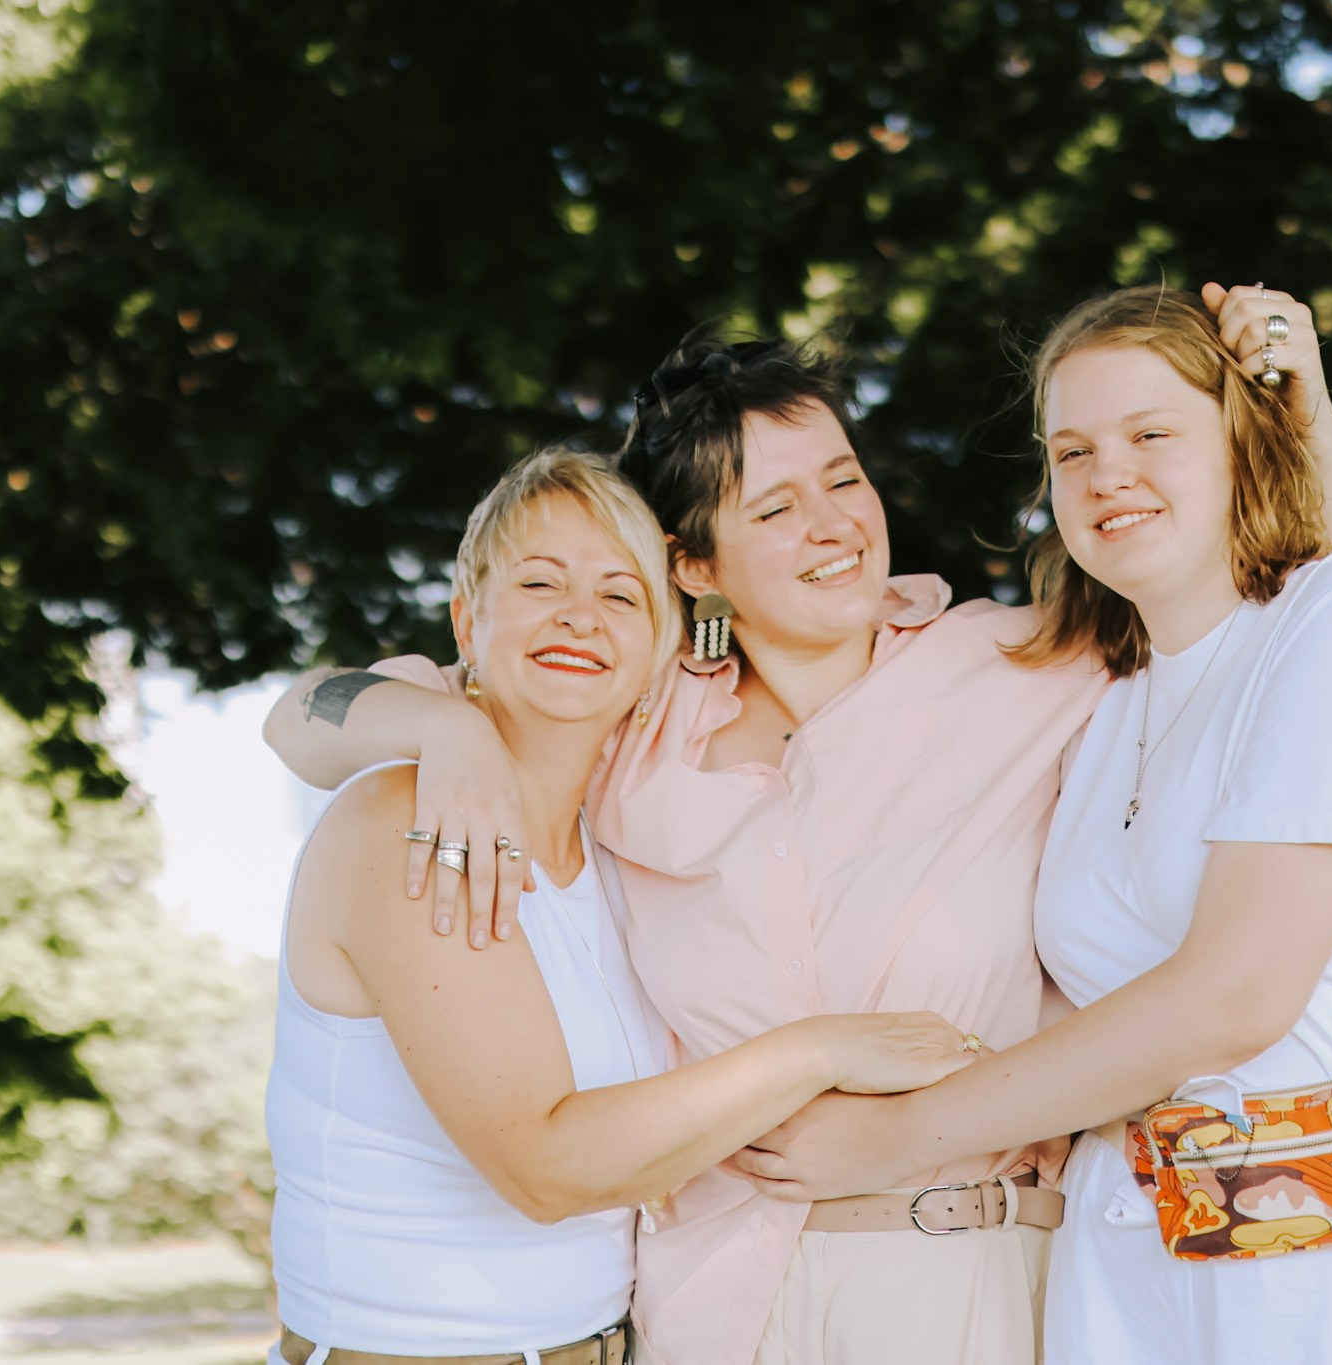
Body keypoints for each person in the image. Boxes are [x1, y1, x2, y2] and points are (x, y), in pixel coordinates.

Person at [263, 283, 1332, 1365]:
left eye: (841, 480)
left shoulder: (1024, 662)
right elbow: (303, 719)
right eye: (774, 508)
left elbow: (1315, 625)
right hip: (702, 1305)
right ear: (693, 566)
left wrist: (1299, 409)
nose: (832, 524)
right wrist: (445, 736)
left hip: (959, 1275)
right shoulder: (630, 723)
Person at [730, 287, 1332, 1363]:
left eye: (1151, 433)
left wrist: (892, 1139)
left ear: (1242, 442)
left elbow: (1233, 995)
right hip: (1138, 1272)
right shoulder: (1101, 707)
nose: (1107, 475)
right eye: (1070, 449)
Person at [263, 447, 975, 1365]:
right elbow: (547, 1168)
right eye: (540, 581)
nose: (578, 617)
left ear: (662, 648)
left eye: (619, 595)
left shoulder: (611, 850)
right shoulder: (402, 818)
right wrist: (823, 1047)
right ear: (466, 621)